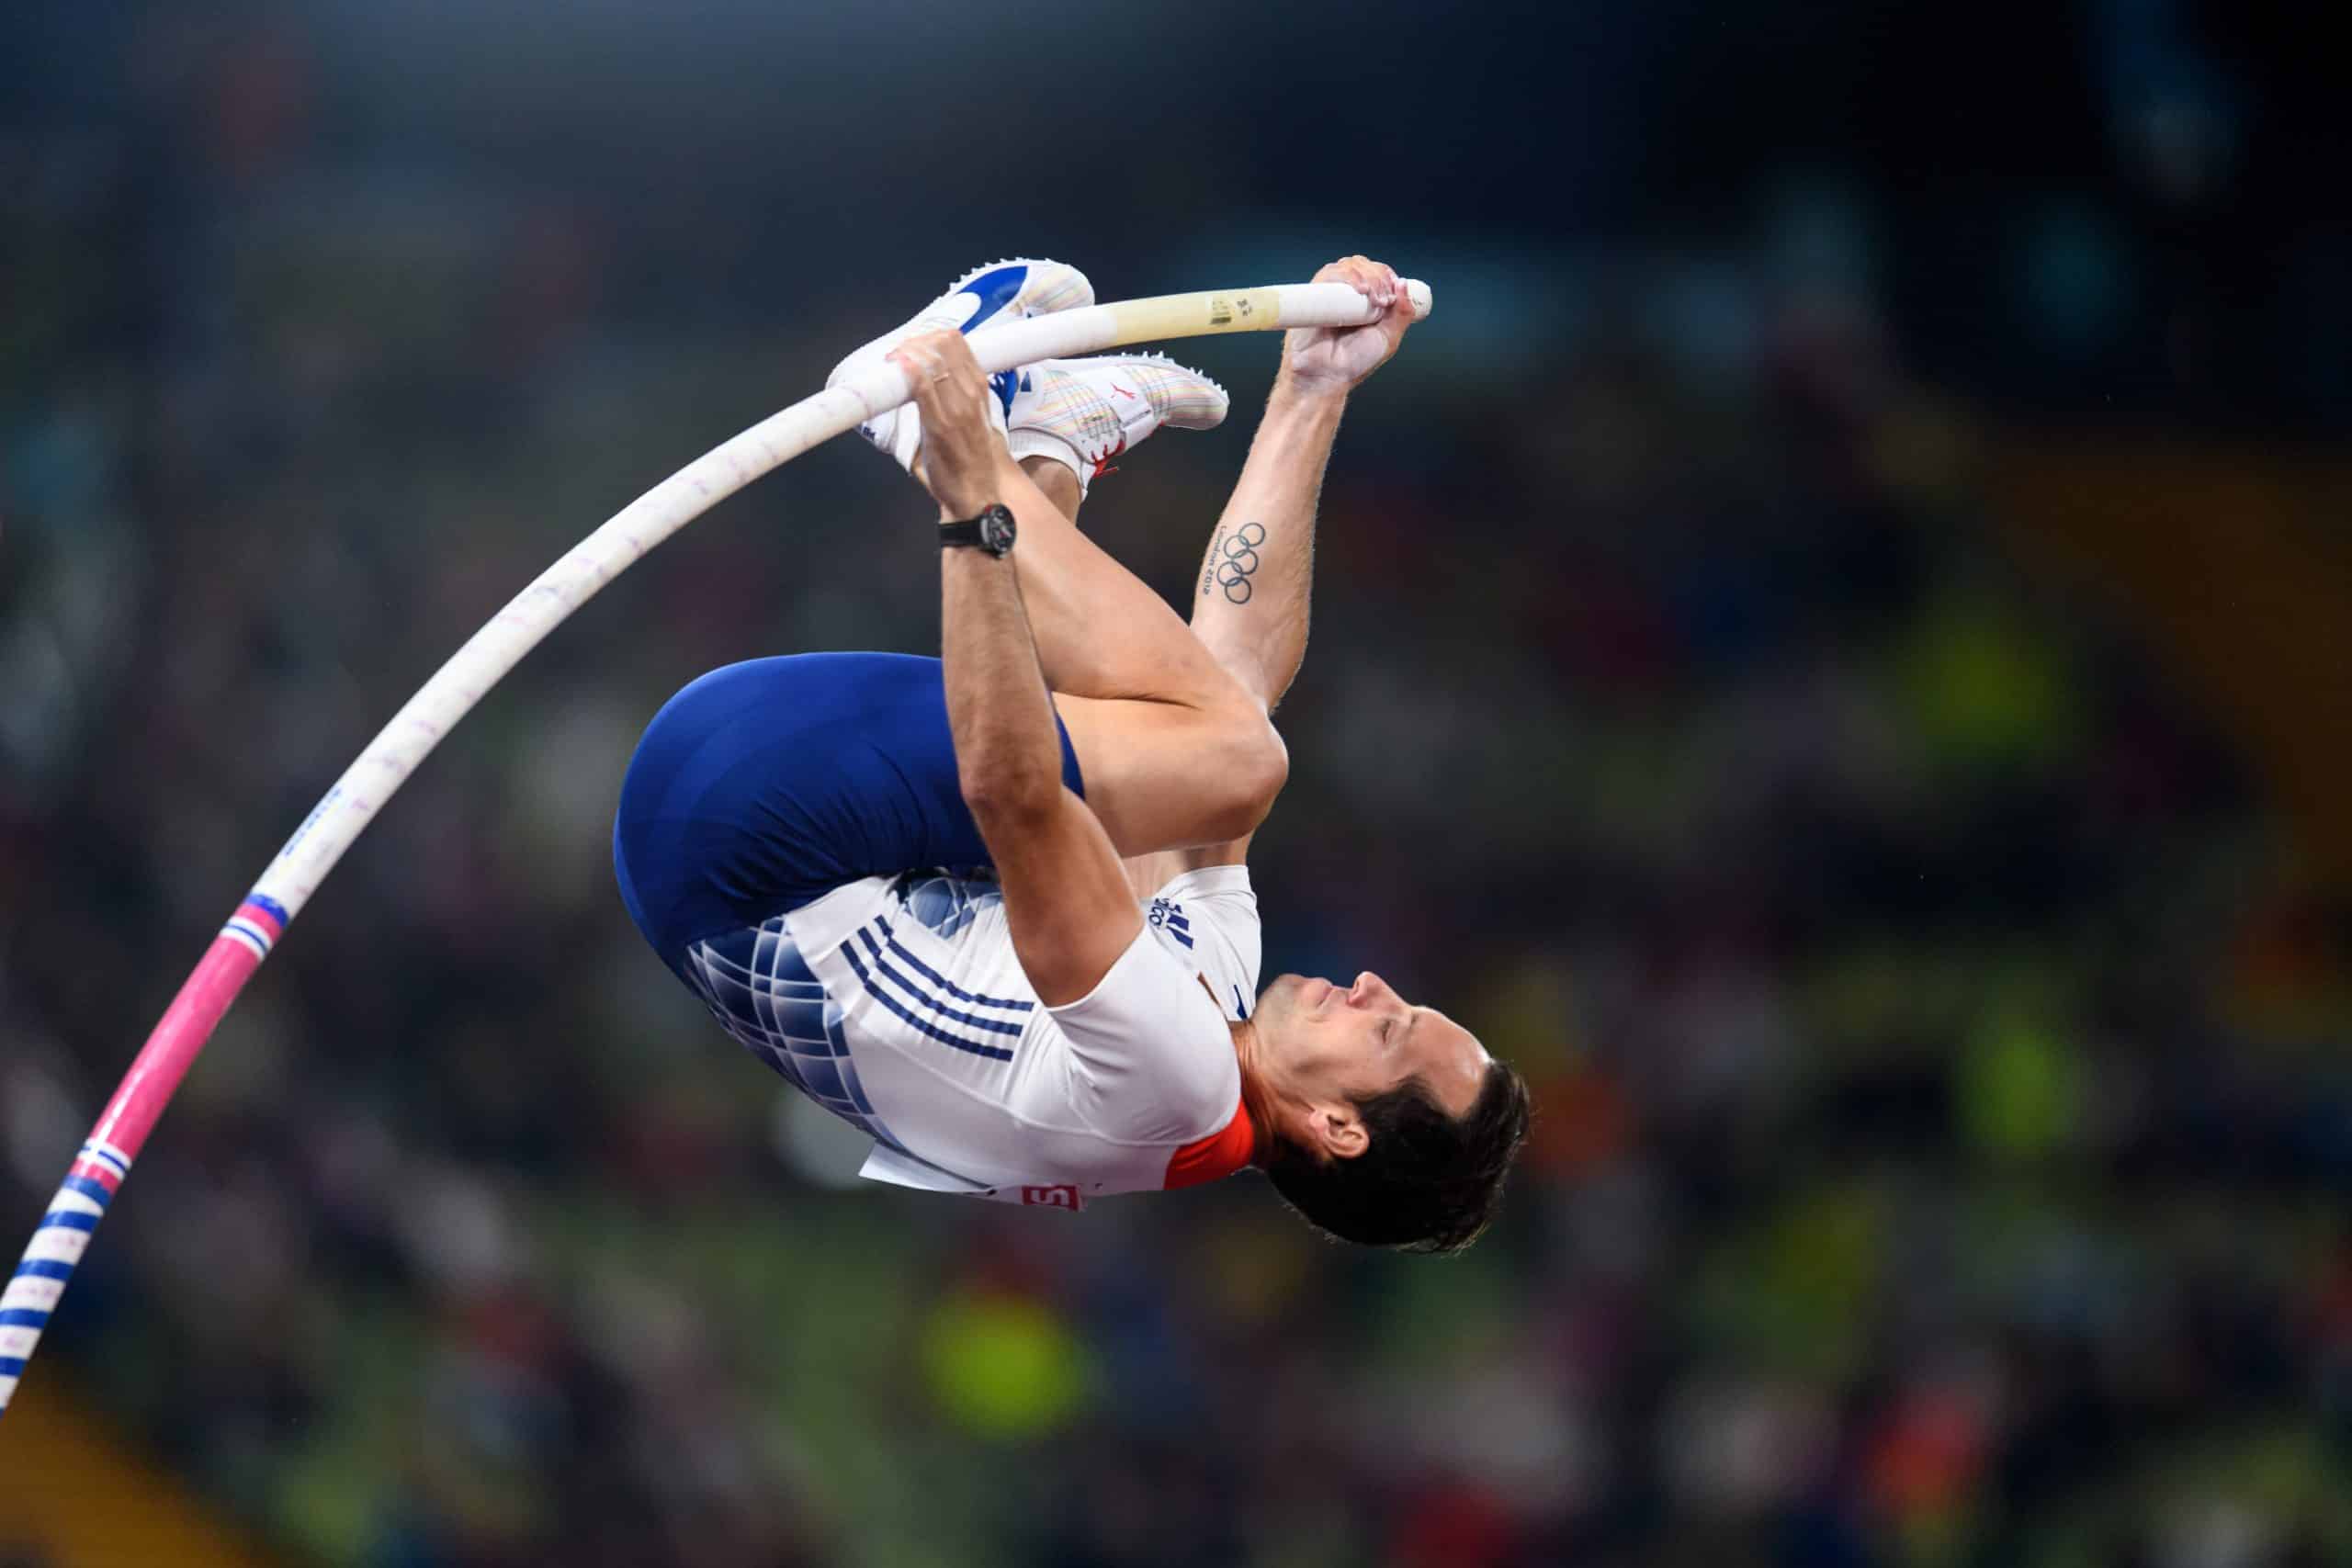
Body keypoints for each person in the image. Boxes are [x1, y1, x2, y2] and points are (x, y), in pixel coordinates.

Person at [613, 256, 1529, 1252]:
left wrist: (966, 490)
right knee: (1217, 759)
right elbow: (1237, 667)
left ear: (1337, 1129)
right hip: (723, 825)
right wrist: (1311, 389)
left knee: (1236, 765)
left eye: (1388, 1030)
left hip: (741, 829)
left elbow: (1012, 792)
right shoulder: (1213, 1031)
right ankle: (1048, 447)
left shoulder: (1170, 1088)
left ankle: (948, 444)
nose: (1372, 989)